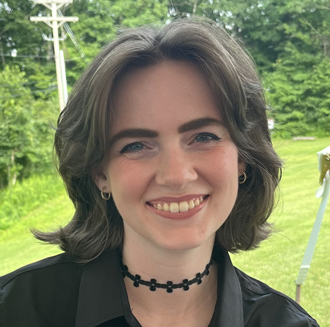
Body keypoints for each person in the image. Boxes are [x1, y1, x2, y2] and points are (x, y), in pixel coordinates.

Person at [0, 18, 319, 327]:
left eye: (204, 137)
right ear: (100, 174)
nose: (177, 176)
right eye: (136, 145)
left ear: (242, 159)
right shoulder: (14, 310)